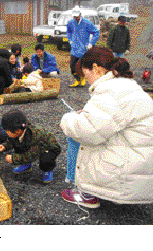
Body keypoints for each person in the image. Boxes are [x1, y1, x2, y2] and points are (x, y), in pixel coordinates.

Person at [60, 47, 153, 208]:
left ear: (95, 68)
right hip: (142, 164)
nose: (86, 78)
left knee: (76, 136)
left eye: (85, 72)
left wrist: (67, 118)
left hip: (129, 171)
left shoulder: (110, 92)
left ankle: (86, 193)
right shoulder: (125, 85)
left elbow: (86, 131)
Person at [0, 109, 61, 183]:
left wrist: (14, 158)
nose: (6, 132)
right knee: (18, 145)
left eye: (7, 131)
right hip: (34, 146)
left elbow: (31, 155)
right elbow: (11, 141)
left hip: (49, 148)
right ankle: (26, 165)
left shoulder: (35, 136)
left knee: (45, 159)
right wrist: (5, 146)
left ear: (17, 131)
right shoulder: (19, 131)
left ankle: (47, 170)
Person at [66, 10, 100, 87]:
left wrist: (91, 43)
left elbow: (96, 32)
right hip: (74, 48)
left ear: (80, 15)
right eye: (74, 16)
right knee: (72, 66)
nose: (76, 18)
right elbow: (68, 31)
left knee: (82, 66)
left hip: (83, 49)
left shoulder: (87, 23)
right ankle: (77, 80)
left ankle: (82, 78)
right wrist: (70, 39)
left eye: (77, 16)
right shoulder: (70, 22)